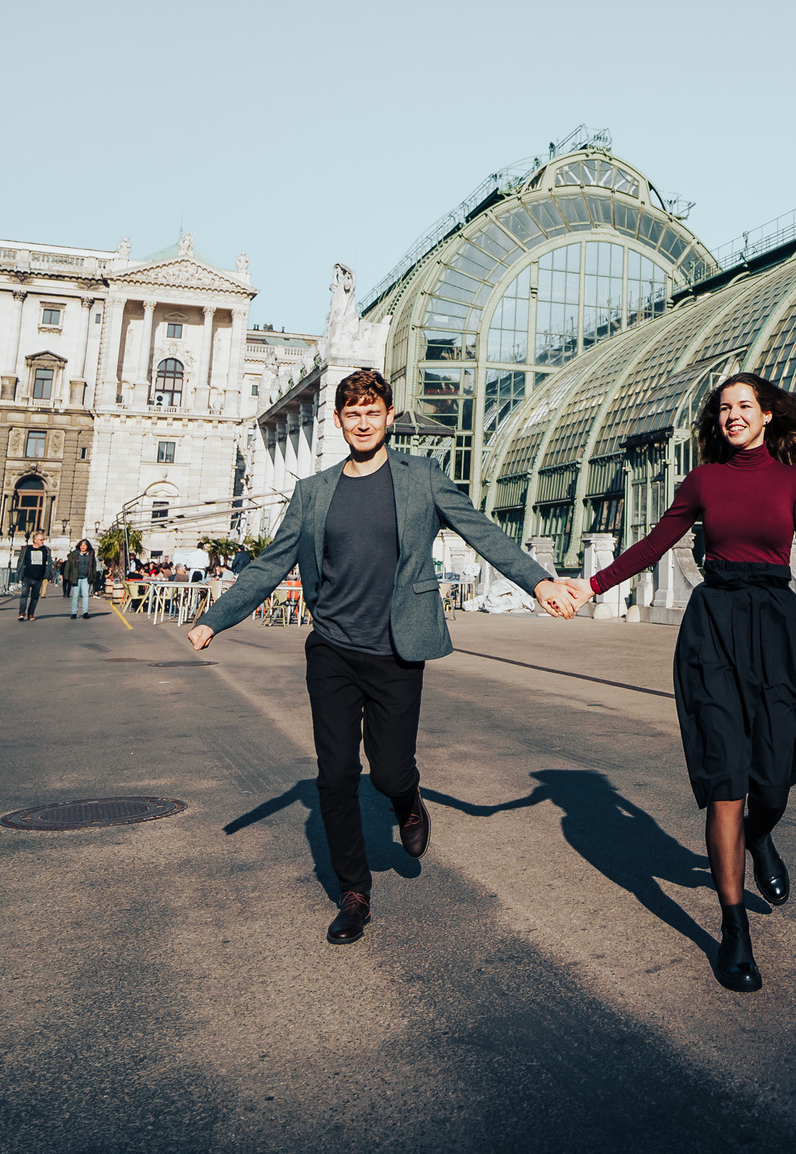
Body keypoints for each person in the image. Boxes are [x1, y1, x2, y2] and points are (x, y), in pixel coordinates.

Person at [190, 370, 575, 947]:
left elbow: (479, 531)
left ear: (389, 417)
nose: (363, 421)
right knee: (335, 775)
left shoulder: (421, 478)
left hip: (398, 648)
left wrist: (538, 583)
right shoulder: (313, 492)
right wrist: (214, 618)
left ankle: (410, 803)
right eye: (352, 413)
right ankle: (354, 892)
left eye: (372, 411)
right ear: (339, 421)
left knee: (390, 770)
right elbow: (271, 564)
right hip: (334, 650)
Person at [556, 373, 796, 993]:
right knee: (725, 781)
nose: (734, 415)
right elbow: (655, 543)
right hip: (713, 628)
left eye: (745, 406)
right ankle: (733, 927)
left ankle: (761, 837)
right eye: (724, 408)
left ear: (767, 416)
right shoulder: (704, 481)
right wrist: (591, 585)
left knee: (772, 778)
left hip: (774, 626)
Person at [16, 534, 54, 621]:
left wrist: (49, 573)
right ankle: (21, 613)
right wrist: (19, 573)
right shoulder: (27, 549)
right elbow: (21, 561)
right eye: (41, 540)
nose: (43, 541)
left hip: (39, 577)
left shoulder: (46, 550)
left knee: (35, 596)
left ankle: (31, 613)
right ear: (35, 540)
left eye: (43, 539)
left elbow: (49, 562)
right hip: (27, 576)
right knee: (24, 595)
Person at [64, 538, 104, 620]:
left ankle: (85, 612)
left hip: (86, 577)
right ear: (79, 546)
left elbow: (93, 566)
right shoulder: (74, 555)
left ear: (87, 546)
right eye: (81, 545)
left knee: (85, 595)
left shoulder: (91, 555)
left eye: (84, 545)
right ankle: (74, 612)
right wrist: (66, 576)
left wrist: (93, 576)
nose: (83, 547)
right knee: (75, 596)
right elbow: (69, 565)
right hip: (76, 577)